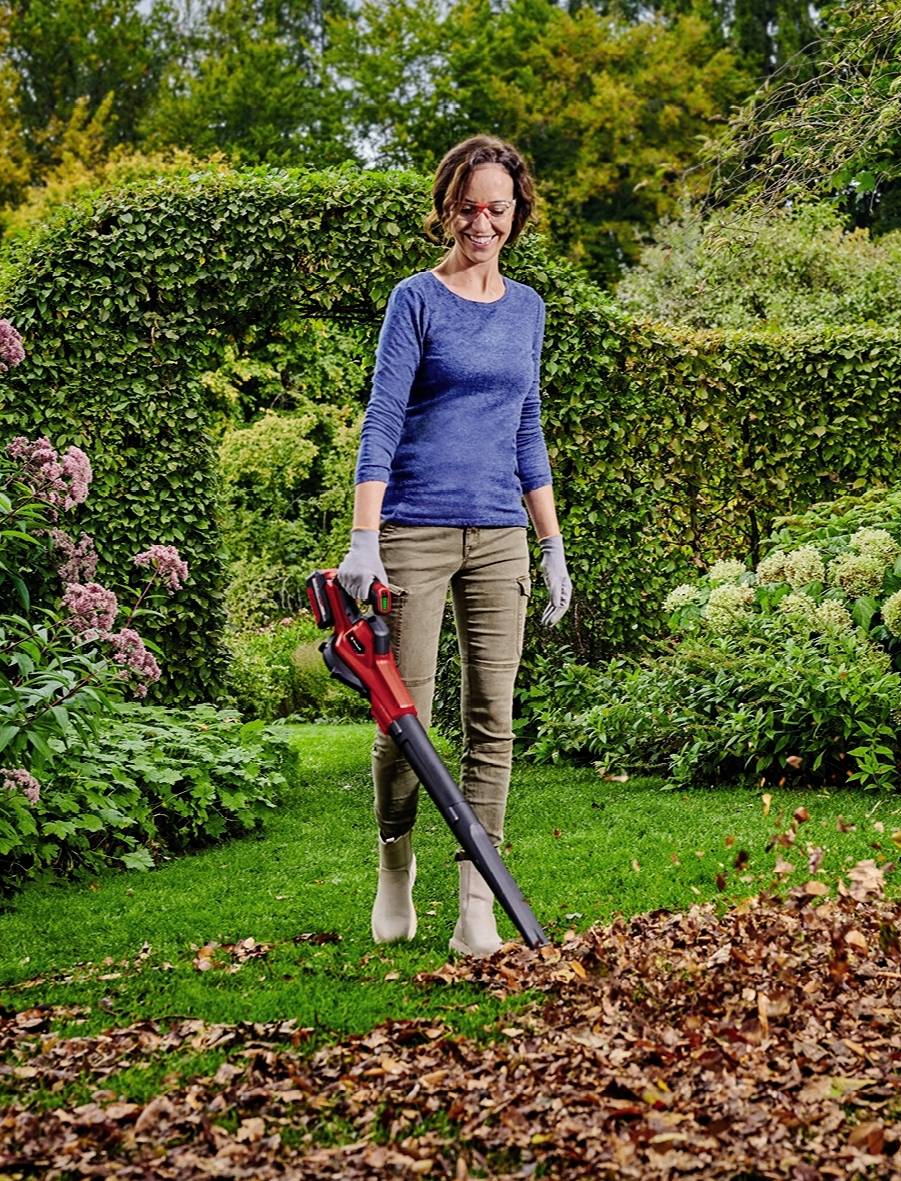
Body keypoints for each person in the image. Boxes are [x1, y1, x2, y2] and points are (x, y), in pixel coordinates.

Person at [336, 135, 573, 958]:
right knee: (406, 719)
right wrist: (365, 536)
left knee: (493, 720)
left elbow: (528, 426)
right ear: (449, 207)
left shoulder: (529, 308)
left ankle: (476, 898)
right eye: (469, 207)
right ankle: (394, 861)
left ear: (517, 212)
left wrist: (551, 543)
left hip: (501, 533)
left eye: (497, 208)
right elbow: (383, 417)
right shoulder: (417, 300)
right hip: (416, 531)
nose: (483, 222)